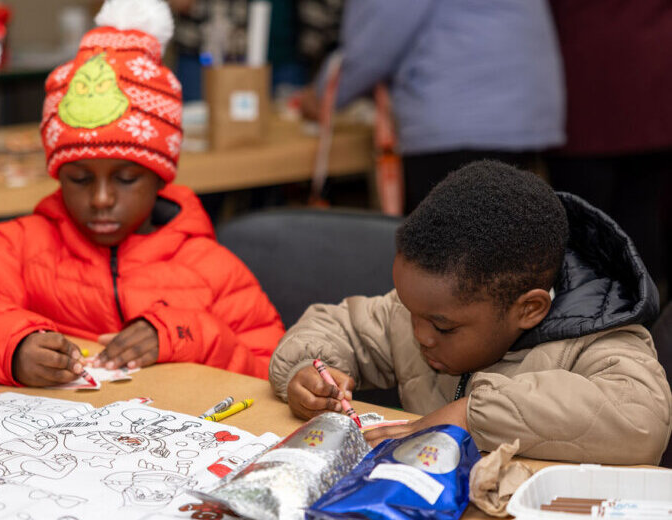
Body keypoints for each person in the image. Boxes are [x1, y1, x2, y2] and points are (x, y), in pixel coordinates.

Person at [0, 0, 285, 388]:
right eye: (80, 180)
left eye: (125, 179)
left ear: (160, 177)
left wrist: (186, 335)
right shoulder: (26, 245)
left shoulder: (212, 270)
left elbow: (274, 371)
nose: (101, 198)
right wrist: (14, 346)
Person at [269, 161, 672, 465]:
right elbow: (337, 326)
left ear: (529, 309)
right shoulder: (428, 310)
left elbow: (641, 419)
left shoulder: (599, 339)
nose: (421, 334)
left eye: (442, 326)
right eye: (412, 311)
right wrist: (307, 370)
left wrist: (471, 415)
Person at [304, 0, 565, 212]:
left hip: (460, 120)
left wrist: (326, 94)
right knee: (501, 259)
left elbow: (377, 35)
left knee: (447, 266)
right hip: (515, 110)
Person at [546, 0, 672, 303]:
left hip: (583, 94)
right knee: (642, 216)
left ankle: (594, 325)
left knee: (582, 231)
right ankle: (645, 319)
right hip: (651, 88)